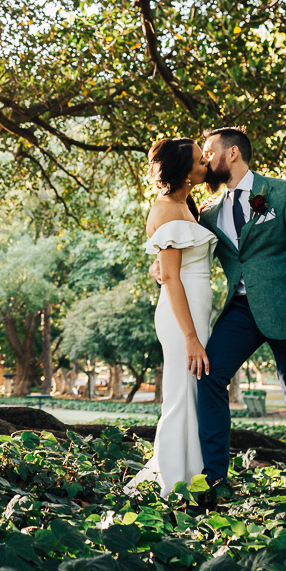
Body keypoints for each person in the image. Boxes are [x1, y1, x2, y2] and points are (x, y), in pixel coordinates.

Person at [154, 127, 286, 499]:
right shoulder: (210, 215)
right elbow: (180, 249)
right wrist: (160, 267)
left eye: (209, 152)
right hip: (240, 313)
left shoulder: (284, 192)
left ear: (231, 154)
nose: (205, 160)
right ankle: (214, 478)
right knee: (210, 377)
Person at [127, 137, 213, 498]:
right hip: (182, 318)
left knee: (190, 393)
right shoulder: (165, 210)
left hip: (195, 308)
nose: (206, 164)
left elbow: (167, 265)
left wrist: (155, 267)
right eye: (199, 161)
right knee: (179, 394)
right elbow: (173, 277)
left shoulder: (185, 206)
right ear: (185, 172)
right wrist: (191, 337)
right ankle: (171, 480)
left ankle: (192, 473)